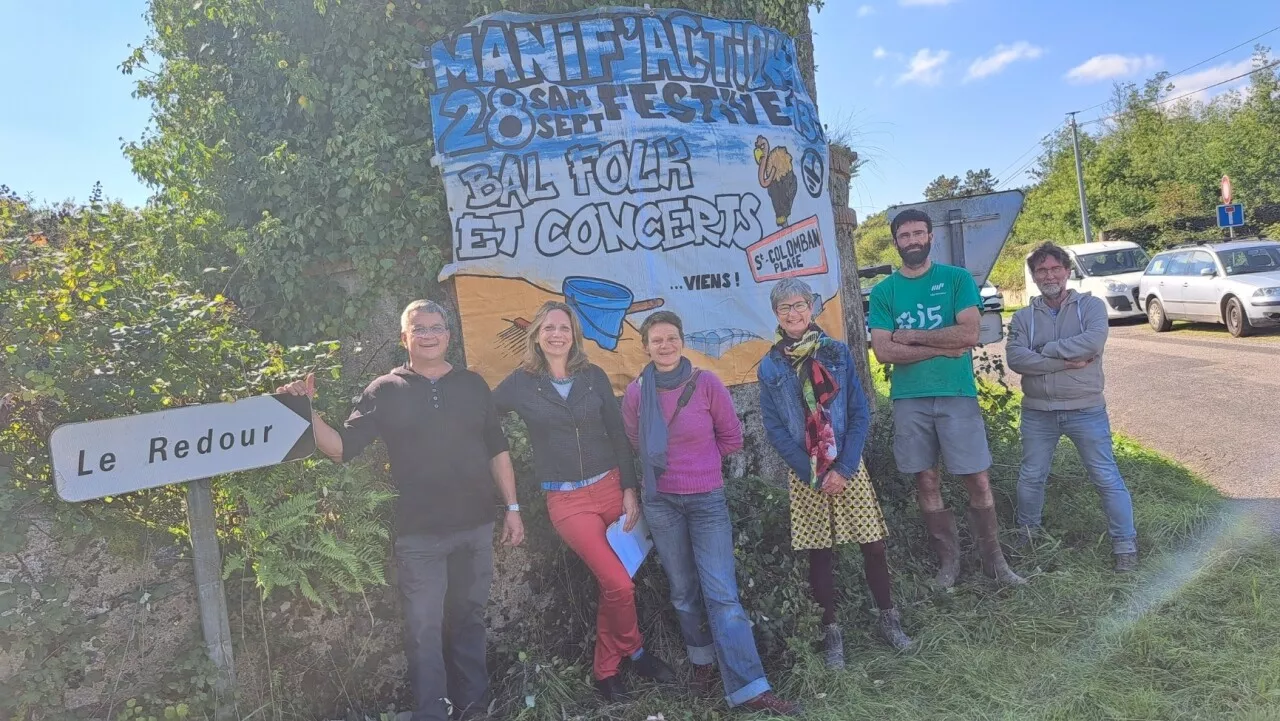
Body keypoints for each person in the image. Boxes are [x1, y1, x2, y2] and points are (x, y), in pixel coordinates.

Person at [276, 300, 523, 721]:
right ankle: (433, 713)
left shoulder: (473, 385)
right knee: (424, 630)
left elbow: (497, 450)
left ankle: (474, 709)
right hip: (419, 535)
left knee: (469, 619)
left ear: (449, 334)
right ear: (403, 338)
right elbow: (341, 449)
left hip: (476, 526)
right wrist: (305, 410)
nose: (428, 334)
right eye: (418, 328)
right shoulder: (384, 390)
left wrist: (513, 508)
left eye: (436, 327)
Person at [620, 311, 801, 717]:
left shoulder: (707, 383)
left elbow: (731, 438)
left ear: (682, 341)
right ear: (645, 346)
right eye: (656, 340)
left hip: (706, 501)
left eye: (671, 338)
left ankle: (750, 687)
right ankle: (703, 664)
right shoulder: (636, 393)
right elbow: (635, 441)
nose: (664, 345)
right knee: (683, 592)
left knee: (722, 594)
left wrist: (700, 469)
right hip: (660, 503)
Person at [493, 301, 675, 702]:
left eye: (564, 328)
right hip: (566, 499)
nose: (556, 334)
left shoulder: (592, 376)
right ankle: (637, 652)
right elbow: (483, 417)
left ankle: (605, 670)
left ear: (574, 334)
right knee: (618, 584)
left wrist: (629, 487)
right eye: (549, 328)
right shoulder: (522, 383)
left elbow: (616, 432)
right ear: (537, 335)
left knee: (619, 584)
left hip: (610, 486)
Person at [758, 279, 913, 671]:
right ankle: (832, 634)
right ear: (776, 315)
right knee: (820, 554)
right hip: (806, 473)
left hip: (847, 466)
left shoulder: (837, 352)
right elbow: (775, 429)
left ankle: (888, 620)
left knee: (872, 545)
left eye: (800, 305)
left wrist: (843, 467)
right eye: (784, 308)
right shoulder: (771, 365)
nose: (794, 313)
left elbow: (860, 412)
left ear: (812, 307)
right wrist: (810, 472)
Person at [868, 209, 1025, 588]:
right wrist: (940, 344)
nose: (912, 241)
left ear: (930, 236)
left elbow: (969, 334)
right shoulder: (884, 291)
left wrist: (912, 337)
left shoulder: (955, 279)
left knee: (978, 477)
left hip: (956, 394)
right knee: (926, 479)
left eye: (918, 233)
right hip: (910, 398)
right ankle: (948, 564)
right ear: (896, 242)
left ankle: (995, 562)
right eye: (904, 236)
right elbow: (884, 352)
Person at [1006, 242, 1139, 572]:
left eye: (1055, 269)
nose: (1049, 275)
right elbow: (1016, 359)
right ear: (1034, 276)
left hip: (1086, 409)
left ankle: (1125, 544)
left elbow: (1093, 342)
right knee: (1031, 477)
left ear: (1067, 271)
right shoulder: (1023, 317)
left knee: (1106, 476)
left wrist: (1046, 349)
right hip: (1038, 411)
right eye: (1042, 270)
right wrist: (1064, 363)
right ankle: (1027, 537)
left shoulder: (1090, 307)